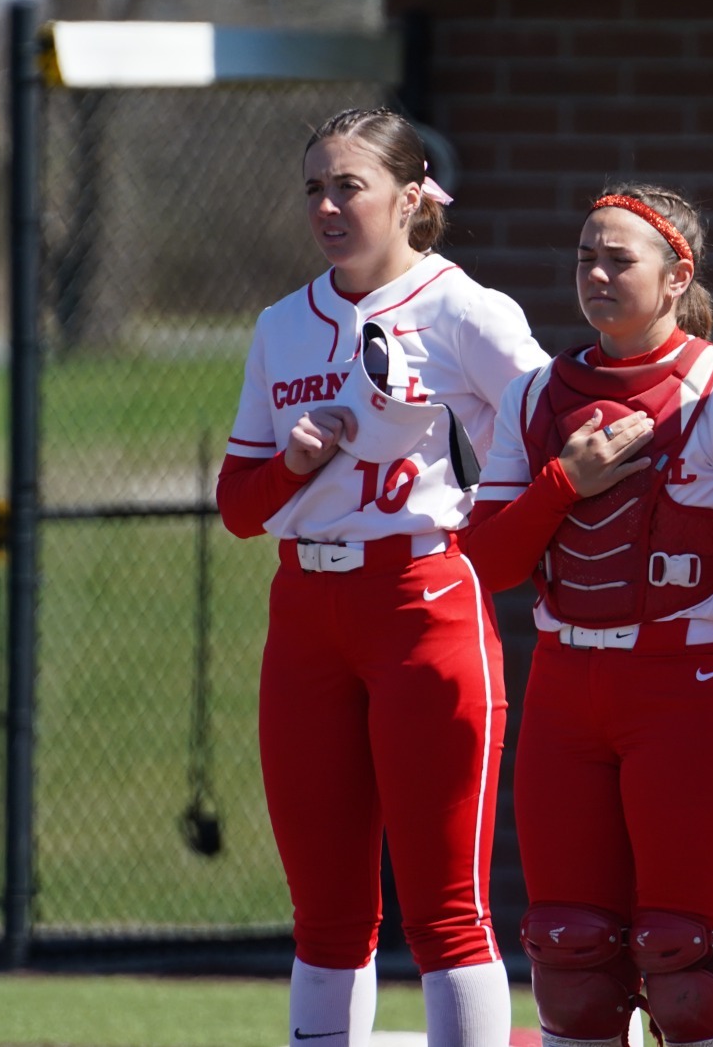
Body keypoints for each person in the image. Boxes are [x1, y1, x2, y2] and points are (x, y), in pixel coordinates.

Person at [216, 107, 549, 1047]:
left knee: (447, 905)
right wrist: (295, 463)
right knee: (326, 909)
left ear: (410, 198)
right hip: (308, 612)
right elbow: (241, 506)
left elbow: (550, 427)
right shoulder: (283, 324)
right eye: (314, 187)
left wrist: (494, 508)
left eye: (348, 186)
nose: (326, 205)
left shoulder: (465, 308)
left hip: (423, 599)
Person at [462, 183, 713, 1047]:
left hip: (688, 688)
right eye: (585, 253)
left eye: (618, 257)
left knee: (687, 961)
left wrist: (705, 652)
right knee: (571, 958)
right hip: (563, 689)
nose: (594, 271)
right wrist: (564, 484)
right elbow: (491, 561)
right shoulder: (536, 395)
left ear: (675, 276)